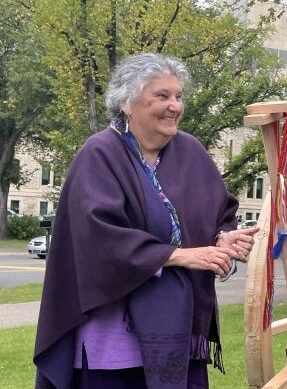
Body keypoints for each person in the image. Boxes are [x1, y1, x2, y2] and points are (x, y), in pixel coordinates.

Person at [34, 53, 259, 388]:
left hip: (180, 329)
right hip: (113, 340)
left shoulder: (191, 154)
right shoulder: (100, 154)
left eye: (179, 97)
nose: (175, 106)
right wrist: (181, 256)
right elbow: (98, 238)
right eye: (162, 96)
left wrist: (222, 239)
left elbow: (217, 214)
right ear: (128, 103)